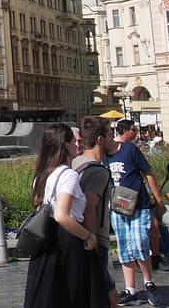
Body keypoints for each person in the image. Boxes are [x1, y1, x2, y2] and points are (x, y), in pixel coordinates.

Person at [24, 123, 105, 308]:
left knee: (52, 294)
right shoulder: (69, 175)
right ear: (65, 144)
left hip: (46, 241)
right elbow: (62, 215)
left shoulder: (42, 174)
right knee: (76, 293)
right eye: (74, 140)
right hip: (68, 240)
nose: (79, 144)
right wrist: (89, 236)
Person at [109, 119, 163, 305]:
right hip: (118, 207)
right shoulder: (101, 156)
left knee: (139, 243)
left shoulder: (129, 149)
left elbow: (147, 171)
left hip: (139, 205)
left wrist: (158, 199)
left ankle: (149, 282)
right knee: (124, 246)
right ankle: (130, 288)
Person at [74, 115, 120, 308]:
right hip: (95, 239)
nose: (113, 139)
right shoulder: (98, 172)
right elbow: (89, 206)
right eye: (110, 135)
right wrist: (92, 239)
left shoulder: (75, 163)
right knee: (108, 293)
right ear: (100, 139)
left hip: (76, 237)